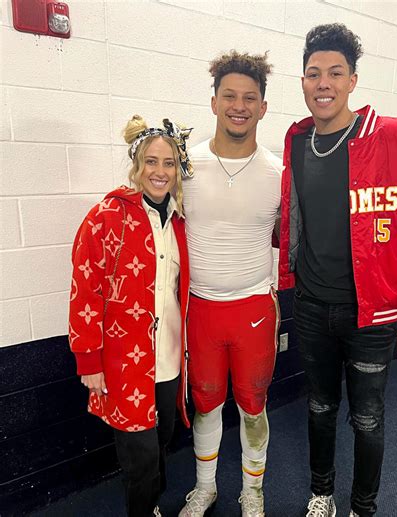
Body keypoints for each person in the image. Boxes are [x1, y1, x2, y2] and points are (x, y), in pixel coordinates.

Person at [277, 23, 397, 517]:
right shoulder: (297, 142)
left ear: (353, 80)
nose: (324, 83)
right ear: (302, 81)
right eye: (314, 73)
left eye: (336, 72)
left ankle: (363, 506)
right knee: (318, 408)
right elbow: (290, 223)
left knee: (367, 418)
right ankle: (322, 495)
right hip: (313, 308)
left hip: (374, 315)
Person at [68, 115, 193, 517]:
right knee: (139, 455)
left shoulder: (181, 221)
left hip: (170, 356)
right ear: (137, 166)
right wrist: (89, 358)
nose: (160, 171)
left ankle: (151, 505)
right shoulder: (106, 216)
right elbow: (85, 288)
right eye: (151, 162)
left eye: (169, 163)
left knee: (162, 441)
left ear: (178, 169)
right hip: (124, 360)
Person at [178, 51, 282, 517]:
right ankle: (205, 486)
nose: (239, 105)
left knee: (253, 406)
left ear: (262, 107)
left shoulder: (280, 175)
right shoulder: (185, 168)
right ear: (214, 102)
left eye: (250, 98)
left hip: (254, 308)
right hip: (200, 309)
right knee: (204, 404)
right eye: (229, 96)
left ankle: (252, 490)